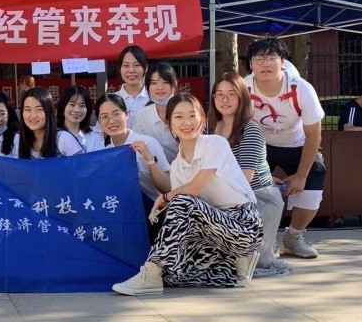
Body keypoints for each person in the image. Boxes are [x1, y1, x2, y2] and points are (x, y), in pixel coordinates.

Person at [112, 94, 263, 295]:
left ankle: (151, 273)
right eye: (179, 117)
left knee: (182, 199)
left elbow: (193, 189)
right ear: (169, 123)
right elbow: (185, 214)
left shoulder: (215, 143)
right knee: (172, 275)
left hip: (242, 225)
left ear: (202, 118)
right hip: (211, 232)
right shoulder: (177, 167)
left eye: (192, 115)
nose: (187, 123)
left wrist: (164, 197)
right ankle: (232, 268)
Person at [245, 36, 325, 258]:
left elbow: (314, 135)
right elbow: (236, 129)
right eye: (258, 59)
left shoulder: (302, 89)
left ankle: (294, 238)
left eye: (271, 58)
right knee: (248, 190)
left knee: (312, 189)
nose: (265, 64)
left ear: (283, 61)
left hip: (297, 144)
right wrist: (261, 174)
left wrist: (301, 175)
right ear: (250, 64)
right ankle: (263, 241)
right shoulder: (243, 88)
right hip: (259, 146)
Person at [209, 72, 289, 276]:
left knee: (252, 266)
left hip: (258, 198)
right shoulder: (212, 127)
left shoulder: (250, 129)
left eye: (231, 94)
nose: (224, 99)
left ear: (242, 98)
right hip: (226, 196)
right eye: (219, 94)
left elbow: (245, 178)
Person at [95, 93, 171, 203]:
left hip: (153, 209)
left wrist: (149, 160)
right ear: (99, 121)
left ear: (126, 115)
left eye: (116, 114)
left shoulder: (147, 143)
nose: (111, 121)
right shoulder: (105, 154)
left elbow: (167, 188)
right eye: (104, 117)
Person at [132, 62, 180, 163]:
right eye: (154, 83)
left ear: (174, 84)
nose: (160, 87)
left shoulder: (184, 110)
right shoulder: (142, 115)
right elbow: (138, 150)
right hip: (154, 168)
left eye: (165, 82)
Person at [18, 87, 79, 158]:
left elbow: (82, 163)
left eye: (39, 109)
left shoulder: (63, 138)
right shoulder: (19, 140)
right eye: (28, 109)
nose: (33, 116)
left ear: (49, 111)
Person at [58, 85, 103, 153]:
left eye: (82, 106)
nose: (77, 110)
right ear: (62, 106)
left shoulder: (94, 139)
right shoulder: (51, 137)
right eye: (72, 104)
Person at [115, 45, 150, 115]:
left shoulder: (154, 98)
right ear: (120, 68)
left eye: (136, 65)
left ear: (146, 68)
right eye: (126, 65)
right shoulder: (111, 100)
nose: (131, 70)